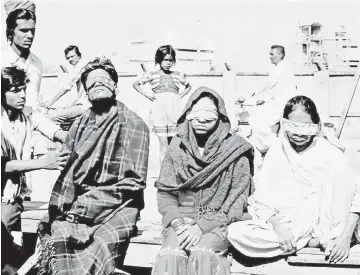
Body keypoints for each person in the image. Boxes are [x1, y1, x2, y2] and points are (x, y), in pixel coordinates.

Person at [37, 57, 150, 275]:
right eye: (91, 82)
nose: (98, 83)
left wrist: (87, 206)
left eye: (104, 79)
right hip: (77, 203)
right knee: (59, 234)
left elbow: (133, 183)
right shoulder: (79, 124)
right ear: (86, 92)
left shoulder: (134, 124)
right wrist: (73, 206)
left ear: (115, 86)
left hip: (118, 204)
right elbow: (67, 171)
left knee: (102, 241)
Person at [228, 95, 360, 264]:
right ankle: (307, 242)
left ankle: (312, 240)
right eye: (293, 127)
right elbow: (262, 200)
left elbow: (356, 196)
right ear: (283, 124)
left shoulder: (330, 153)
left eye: (305, 127)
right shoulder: (276, 151)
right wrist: (279, 228)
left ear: (317, 126)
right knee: (235, 233)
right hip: (287, 225)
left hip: (325, 225)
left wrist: (345, 237)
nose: (298, 134)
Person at [152, 86, 254, 275]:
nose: (202, 118)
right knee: (171, 255)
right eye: (197, 112)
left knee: (202, 253)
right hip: (181, 220)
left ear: (220, 117)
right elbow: (166, 194)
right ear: (188, 113)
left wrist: (201, 226)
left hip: (219, 221)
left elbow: (237, 200)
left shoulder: (236, 150)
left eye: (210, 113)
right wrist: (178, 224)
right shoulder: (177, 148)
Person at [1, 66, 68, 271]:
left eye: (23, 89)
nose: (22, 95)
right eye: (16, 90)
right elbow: (3, 165)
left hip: (9, 195)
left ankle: (15, 259)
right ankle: (15, 257)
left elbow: (56, 132)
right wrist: (43, 163)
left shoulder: (29, 115)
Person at [238, 45, 297, 172]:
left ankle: (269, 149)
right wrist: (252, 99)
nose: (270, 57)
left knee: (257, 121)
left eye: (272, 54)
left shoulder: (282, 70)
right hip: (276, 101)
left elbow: (266, 90)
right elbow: (266, 90)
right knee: (255, 117)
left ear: (280, 55)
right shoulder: (278, 68)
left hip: (281, 104)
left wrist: (250, 100)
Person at [133, 45, 191, 165]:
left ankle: (173, 175)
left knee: (174, 145)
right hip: (159, 111)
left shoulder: (177, 74)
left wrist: (179, 96)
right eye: (165, 60)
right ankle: (163, 176)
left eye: (170, 60)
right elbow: (136, 84)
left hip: (174, 111)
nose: (168, 63)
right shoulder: (152, 74)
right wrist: (147, 95)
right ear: (159, 60)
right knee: (163, 145)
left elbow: (189, 87)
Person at [2, 3, 42, 110]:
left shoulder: (37, 63)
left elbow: (34, 100)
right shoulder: (2, 60)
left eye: (32, 31)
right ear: (11, 32)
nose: (30, 36)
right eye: (24, 30)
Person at [40, 45, 91, 128]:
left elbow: (67, 87)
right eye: (68, 58)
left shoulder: (81, 67)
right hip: (85, 105)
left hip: (85, 106)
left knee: (51, 117)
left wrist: (50, 102)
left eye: (72, 56)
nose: (70, 59)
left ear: (79, 55)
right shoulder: (83, 66)